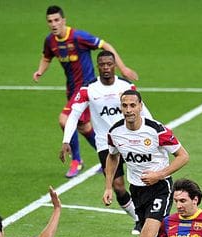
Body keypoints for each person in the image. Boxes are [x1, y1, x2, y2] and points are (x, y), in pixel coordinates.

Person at [103, 89, 190, 237]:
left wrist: (159, 174)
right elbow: (112, 157)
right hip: (137, 190)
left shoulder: (156, 130)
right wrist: (109, 186)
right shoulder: (115, 132)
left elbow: (183, 156)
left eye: (133, 105)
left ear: (141, 106)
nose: (129, 110)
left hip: (160, 188)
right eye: (125, 106)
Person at [33, 5, 138, 178]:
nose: (53, 24)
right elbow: (46, 57)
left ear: (63, 20)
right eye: (50, 21)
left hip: (86, 88)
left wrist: (123, 68)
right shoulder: (50, 41)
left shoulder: (78, 37)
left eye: (57, 20)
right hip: (71, 88)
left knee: (64, 120)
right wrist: (40, 71)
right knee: (83, 126)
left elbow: (106, 46)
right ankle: (108, 155)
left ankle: (77, 161)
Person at [61, 50, 151, 234]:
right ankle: (138, 218)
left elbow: (144, 111)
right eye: (102, 65)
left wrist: (156, 131)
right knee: (117, 186)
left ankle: (149, 215)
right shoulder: (89, 88)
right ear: (98, 66)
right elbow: (74, 114)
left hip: (131, 139)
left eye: (109, 64)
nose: (106, 68)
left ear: (114, 65)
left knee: (142, 180)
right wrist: (66, 140)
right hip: (106, 144)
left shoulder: (125, 86)